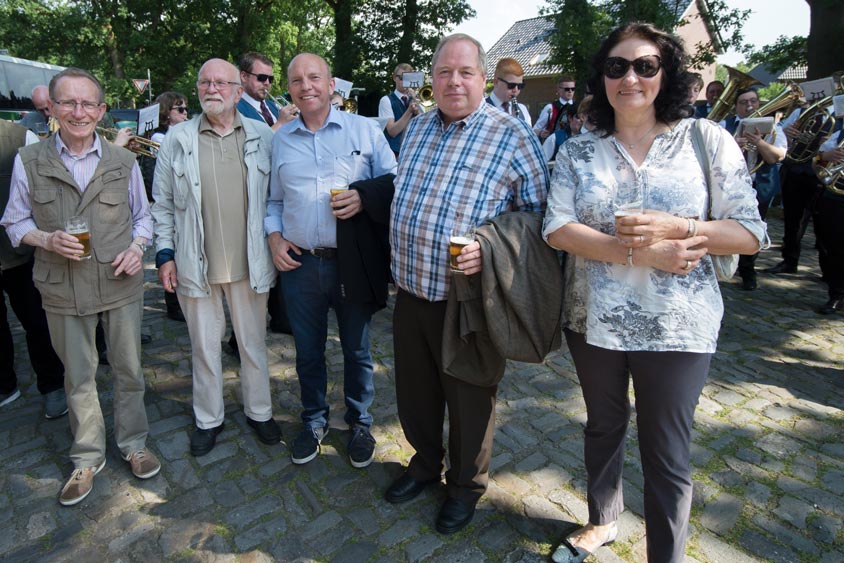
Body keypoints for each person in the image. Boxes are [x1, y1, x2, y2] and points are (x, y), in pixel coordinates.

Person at [542, 23, 766, 562]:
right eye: (616, 66)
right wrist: (642, 254)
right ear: (602, 77)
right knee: (603, 427)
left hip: (678, 324)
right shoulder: (580, 150)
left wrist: (681, 227)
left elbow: (750, 234)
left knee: (666, 450)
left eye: (645, 66)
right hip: (593, 318)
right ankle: (602, 520)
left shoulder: (703, 139)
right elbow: (557, 227)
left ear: (666, 75)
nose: (630, 78)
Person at [386, 33, 548, 535]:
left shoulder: (513, 135)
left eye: (465, 72)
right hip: (411, 289)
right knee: (415, 393)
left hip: (470, 300)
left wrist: (492, 245)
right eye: (444, 72)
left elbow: (540, 219)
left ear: (483, 78)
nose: (453, 81)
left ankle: (464, 487)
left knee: (470, 398)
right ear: (432, 79)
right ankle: (423, 463)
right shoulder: (417, 128)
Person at [1, 67, 161, 506]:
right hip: (61, 286)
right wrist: (46, 239)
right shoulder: (29, 160)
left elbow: (143, 218)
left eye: (88, 103)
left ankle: (134, 443)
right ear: (52, 108)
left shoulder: (123, 161)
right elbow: (14, 222)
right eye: (68, 102)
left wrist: (138, 248)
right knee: (78, 376)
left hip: (119, 282)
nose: (79, 112)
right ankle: (87, 457)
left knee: (128, 370)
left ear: (101, 110)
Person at [265, 53, 396, 468]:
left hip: (352, 261)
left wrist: (364, 196)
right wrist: (273, 237)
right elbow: (273, 201)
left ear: (331, 84)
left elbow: (395, 181)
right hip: (300, 264)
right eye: (297, 80)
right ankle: (314, 420)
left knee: (357, 350)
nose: (306, 86)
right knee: (307, 352)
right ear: (289, 89)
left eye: (314, 77)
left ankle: (359, 421)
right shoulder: (280, 140)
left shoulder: (364, 129)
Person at [152, 58, 281, 457]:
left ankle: (259, 411)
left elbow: (276, 198)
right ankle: (208, 419)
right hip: (196, 263)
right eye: (204, 82)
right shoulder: (177, 139)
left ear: (238, 91)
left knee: (253, 344)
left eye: (220, 83)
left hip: (250, 262)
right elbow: (162, 204)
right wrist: (165, 254)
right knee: (204, 348)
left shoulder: (263, 135)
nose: (212, 89)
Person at [0, 119, 66, 417]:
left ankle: (52, 385)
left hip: (19, 253)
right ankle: (5, 384)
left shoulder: (17, 136)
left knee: (38, 322)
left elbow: (46, 190)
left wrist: (45, 239)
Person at [719, 87, 786, 290]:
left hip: (759, 184)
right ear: (736, 106)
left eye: (753, 101)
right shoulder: (724, 126)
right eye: (743, 102)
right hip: (729, 185)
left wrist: (759, 143)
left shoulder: (774, 128)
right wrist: (732, 145)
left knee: (754, 227)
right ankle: (725, 266)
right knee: (726, 226)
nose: (749, 106)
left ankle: (748, 271)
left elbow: (777, 156)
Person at [813, 130, 844, 314]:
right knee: (835, 248)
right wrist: (825, 156)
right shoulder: (840, 135)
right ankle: (837, 295)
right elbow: (816, 162)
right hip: (836, 195)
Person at [236, 52, 299, 131]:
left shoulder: (273, 106)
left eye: (270, 79)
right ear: (244, 76)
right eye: (262, 77)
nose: (267, 83)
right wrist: (280, 123)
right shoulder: (233, 110)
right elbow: (252, 139)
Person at [378, 63, 421, 156]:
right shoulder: (386, 100)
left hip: (414, 149)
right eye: (401, 78)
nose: (404, 81)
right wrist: (409, 111)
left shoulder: (417, 99)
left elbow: (424, 125)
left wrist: (418, 111)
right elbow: (392, 131)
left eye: (408, 78)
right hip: (395, 153)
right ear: (394, 78)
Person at [486, 57, 532, 125]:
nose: (516, 90)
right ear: (496, 82)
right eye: (511, 85)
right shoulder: (480, 109)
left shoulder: (522, 110)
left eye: (520, 86)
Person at [534, 76, 577, 141]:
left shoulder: (578, 107)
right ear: (559, 90)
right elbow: (535, 129)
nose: (570, 91)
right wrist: (540, 133)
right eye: (567, 89)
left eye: (573, 89)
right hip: (555, 143)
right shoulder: (550, 108)